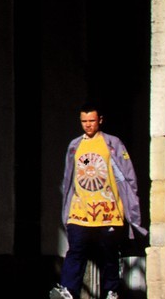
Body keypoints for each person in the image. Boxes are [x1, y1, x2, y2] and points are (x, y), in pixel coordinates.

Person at [53, 103, 144, 299]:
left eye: (91, 121)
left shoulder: (113, 144)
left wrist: (131, 205)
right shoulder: (75, 145)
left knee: (109, 253)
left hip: (108, 210)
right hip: (80, 210)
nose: (87, 125)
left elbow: (128, 175)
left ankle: (111, 290)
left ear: (100, 120)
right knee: (76, 249)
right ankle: (68, 289)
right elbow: (71, 174)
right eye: (84, 121)